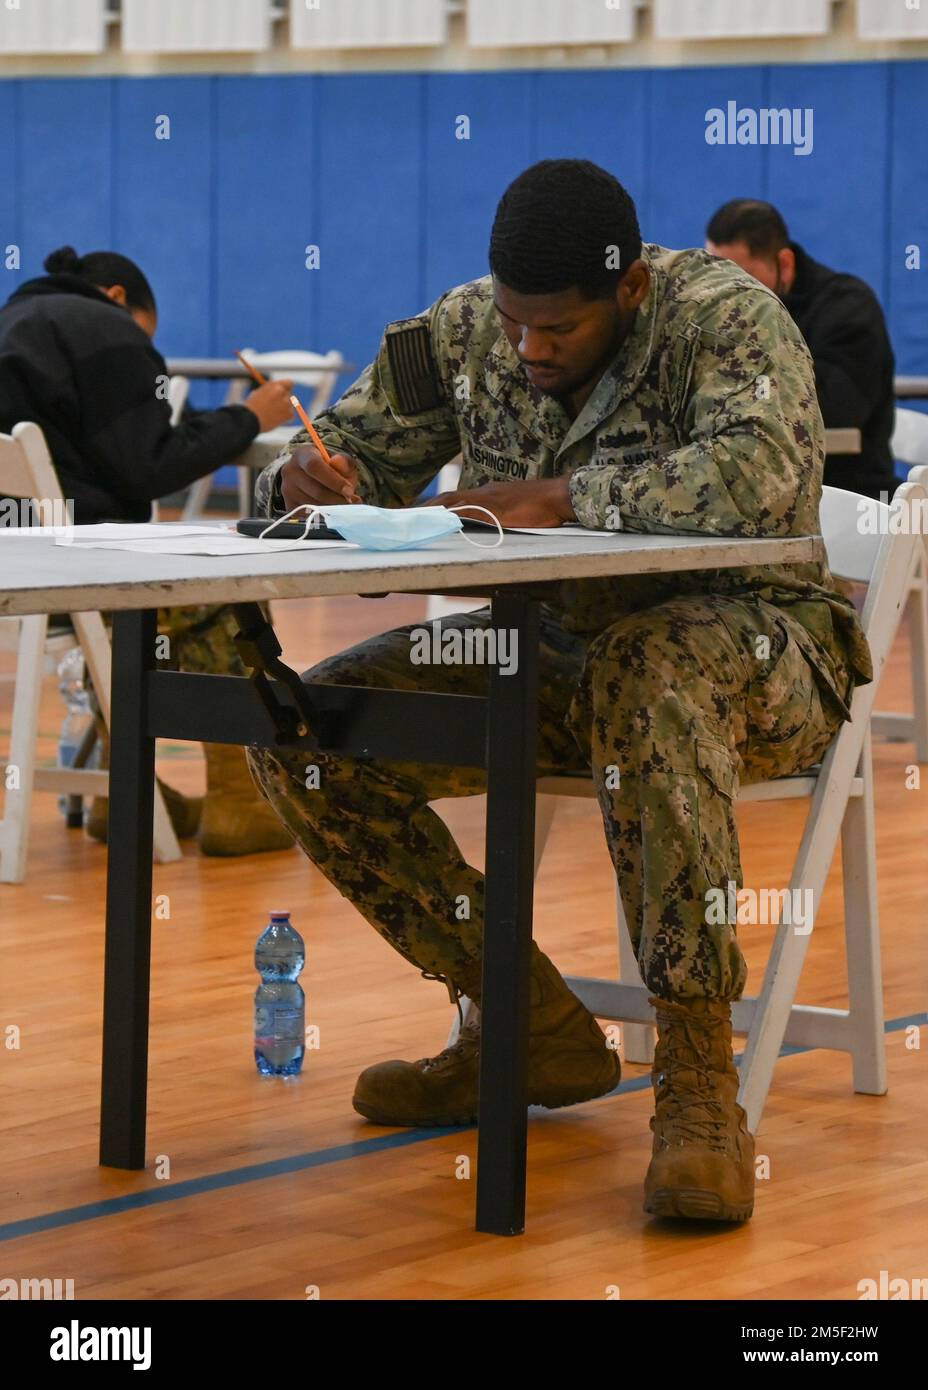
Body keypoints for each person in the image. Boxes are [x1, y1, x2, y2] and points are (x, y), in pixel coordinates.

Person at [247, 160, 872, 1224]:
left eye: (558, 331)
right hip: (549, 661)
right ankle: (520, 1016)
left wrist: (555, 498)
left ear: (627, 292)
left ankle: (696, 1084)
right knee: (305, 728)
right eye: (513, 324)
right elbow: (343, 446)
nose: (528, 349)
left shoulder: (726, 317)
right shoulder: (458, 332)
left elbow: (765, 476)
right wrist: (304, 477)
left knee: (647, 669)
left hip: (760, 653)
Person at [0, 246, 296, 855]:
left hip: (23, 570)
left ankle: (128, 791)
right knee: (230, 587)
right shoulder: (103, 328)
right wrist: (247, 417)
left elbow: (114, 442)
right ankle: (241, 803)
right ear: (116, 298)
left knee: (152, 597)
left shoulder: (17, 323)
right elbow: (150, 465)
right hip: (82, 579)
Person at [705, 199, 897, 501]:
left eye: (742, 280)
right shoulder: (721, 312)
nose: (728, 292)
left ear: (785, 263)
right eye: (717, 277)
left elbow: (834, 412)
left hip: (846, 493)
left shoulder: (848, 307)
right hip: (761, 486)